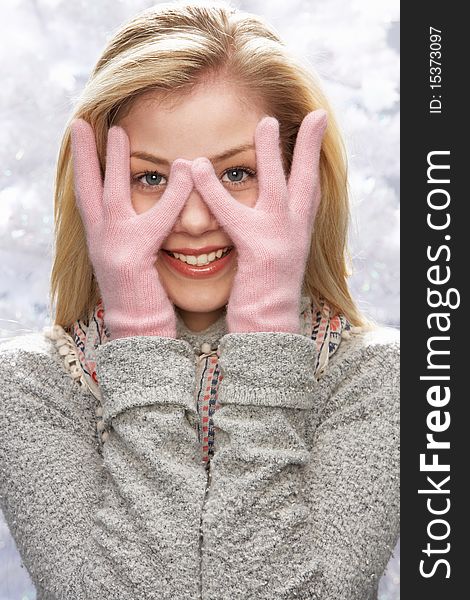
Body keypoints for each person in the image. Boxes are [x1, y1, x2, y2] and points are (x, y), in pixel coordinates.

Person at [0, 2, 399, 599]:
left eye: (236, 174)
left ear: (303, 178)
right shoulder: (31, 384)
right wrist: (138, 333)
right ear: (92, 188)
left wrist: (266, 330)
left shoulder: (379, 377)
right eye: (151, 178)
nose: (191, 219)